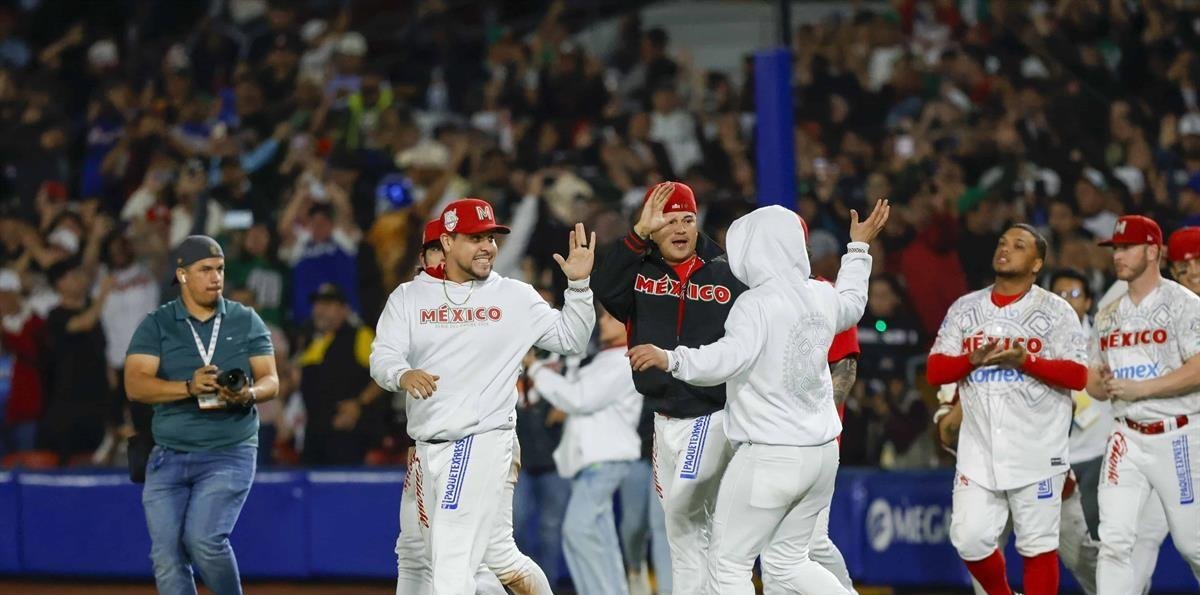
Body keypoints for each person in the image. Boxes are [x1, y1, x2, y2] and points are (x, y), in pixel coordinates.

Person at [628, 200, 890, 594]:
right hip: (820, 455)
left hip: (771, 454)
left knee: (726, 565)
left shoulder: (756, 304)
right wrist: (858, 250)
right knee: (787, 564)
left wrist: (671, 358)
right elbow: (853, 304)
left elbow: (724, 360)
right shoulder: (819, 295)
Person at [371, 198, 595, 594]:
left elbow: (572, 339)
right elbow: (383, 357)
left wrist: (577, 287)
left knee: (451, 558)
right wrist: (402, 374)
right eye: (475, 238)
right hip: (426, 444)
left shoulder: (514, 296)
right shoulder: (409, 297)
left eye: (491, 237)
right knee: (489, 556)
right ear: (448, 241)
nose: (488, 246)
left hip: (481, 438)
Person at [592, 181, 743, 594]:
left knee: (684, 515)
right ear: (652, 228)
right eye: (669, 220)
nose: (679, 229)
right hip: (664, 419)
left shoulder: (727, 272)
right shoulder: (639, 273)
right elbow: (603, 287)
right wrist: (636, 236)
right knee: (684, 534)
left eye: (688, 220)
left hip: (711, 416)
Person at [926, 224, 1088, 595]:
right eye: (1002, 243)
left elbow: (1078, 375)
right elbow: (935, 369)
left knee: (1037, 546)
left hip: (1038, 448)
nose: (1006, 249)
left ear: (1037, 263)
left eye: (1019, 246)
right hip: (979, 449)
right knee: (968, 540)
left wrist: (1025, 360)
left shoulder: (1056, 311)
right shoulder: (966, 308)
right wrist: (971, 359)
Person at [124, 235, 280, 595]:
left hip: (229, 450)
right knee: (166, 557)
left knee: (205, 541)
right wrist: (188, 388)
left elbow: (270, 379)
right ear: (182, 275)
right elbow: (135, 385)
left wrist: (249, 393)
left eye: (220, 269)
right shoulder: (158, 324)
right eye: (205, 270)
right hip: (168, 455)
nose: (216, 277)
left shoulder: (245, 319)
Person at [1088, 215, 1200, 593]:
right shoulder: (1107, 313)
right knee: (1116, 540)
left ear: (1152, 251)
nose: (1118, 254)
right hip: (1127, 436)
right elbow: (1092, 380)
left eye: (1127, 247)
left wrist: (1144, 389)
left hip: (1179, 432)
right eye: (1116, 248)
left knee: (1192, 543)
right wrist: (1101, 384)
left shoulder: (1182, 303)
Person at [525, 307, 643, 595]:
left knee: (578, 530)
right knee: (598, 539)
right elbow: (576, 385)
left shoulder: (623, 359)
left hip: (603, 463)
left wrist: (536, 368)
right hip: (590, 463)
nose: (601, 322)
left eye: (609, 317)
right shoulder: (603, 357)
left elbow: (577, 397)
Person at [296, 282, 384, 465]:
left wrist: (358, 404)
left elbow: (384, 376)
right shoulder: (308, 340)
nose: (320, 310)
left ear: (344, 310)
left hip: (347, 432)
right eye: (318, 304)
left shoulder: (360, 336)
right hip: (315, 435)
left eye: (328, 305)